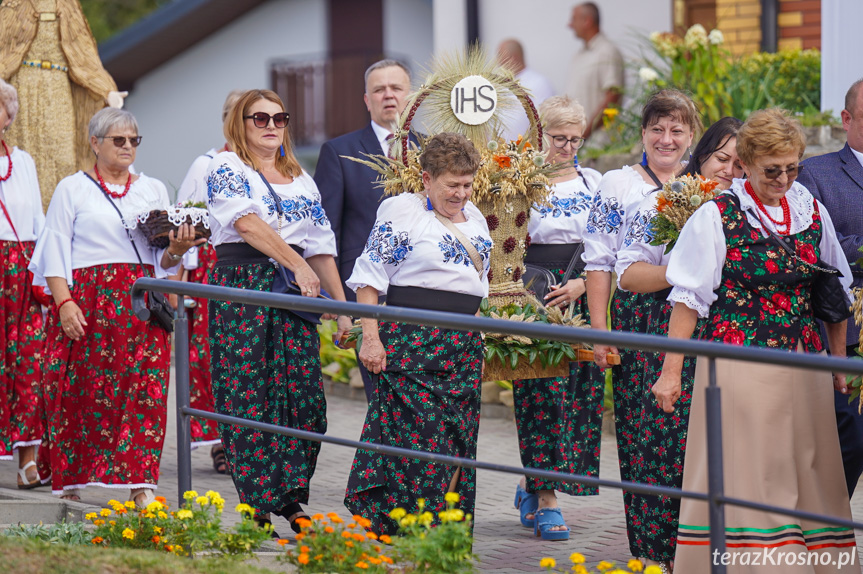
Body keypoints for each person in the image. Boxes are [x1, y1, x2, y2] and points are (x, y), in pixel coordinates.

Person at [655, 109, 856, 573]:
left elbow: (834, 291)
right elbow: (688, 299)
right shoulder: (716, 215)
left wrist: (840, 361)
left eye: (793, 167)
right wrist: (670, 374)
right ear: (744, 163)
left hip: (804, 362)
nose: (785, 179)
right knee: (754, 472)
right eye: (773, 170)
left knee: (808, 467)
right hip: (739, 362)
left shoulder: (810, 209)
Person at [29, 107, 201, 505]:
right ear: (95, 142)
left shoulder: (153, 188)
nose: (127, 147)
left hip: (142, 301)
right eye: (118, 140)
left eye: (134, 141)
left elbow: (165, 261)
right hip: (88, 300)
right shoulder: (73, 188)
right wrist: (64, 302)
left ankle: (141, 484)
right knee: (80, 389)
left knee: (146, 392)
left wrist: (176, 249)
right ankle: (71, 482)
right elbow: (53, 250)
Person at [207, 89, 352, 536]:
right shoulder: (227, 167)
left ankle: (290, 496)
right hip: (246, 289)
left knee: (303, 401)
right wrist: (297, 264)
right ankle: (258, 505)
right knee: (251, 397)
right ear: (241, 124)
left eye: (279, 118)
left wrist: (344, 311)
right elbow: (247, 224)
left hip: (293, 292)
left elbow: (323, 249)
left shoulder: (301, 178)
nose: (271, 125)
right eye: (260, 118)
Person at [344, 132, 491, 535]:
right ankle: (408, 534)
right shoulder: (402, 211)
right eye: (452, 185)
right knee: (419, 444)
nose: (461, 193)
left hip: (463, 346)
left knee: (460, 443)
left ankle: (446, 536)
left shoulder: (475, 217)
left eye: (467, 183)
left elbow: (478, 284)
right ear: (426, 178)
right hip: (414, 342)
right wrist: (370, 338)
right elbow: (369, 279)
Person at [614, 117, 742, 569]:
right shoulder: (665, 204)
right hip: (660, 330)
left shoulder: (752, 209)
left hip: (726, 340)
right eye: (722, 159)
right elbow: (626, 275)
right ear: (701, 156)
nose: (731, 170)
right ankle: (656, 554)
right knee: (658, 447)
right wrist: (691, 266)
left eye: (741, 163)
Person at [583, 88, 699, 564]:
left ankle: (689, 549)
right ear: (643, 134)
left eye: (676, 130)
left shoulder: (703, 186)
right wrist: (598, 331)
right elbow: (599, 260)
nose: (666, 139)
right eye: (657, 128)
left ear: (691, 137)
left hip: (692, 322)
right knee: (643, 439)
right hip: (639, 319)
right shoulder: (619, 184)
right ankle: (652, 552)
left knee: (690, 439)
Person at [510, 96, 602, 540]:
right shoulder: (520, 180)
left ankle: (535, 481)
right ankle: (546, 496)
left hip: (582, 291)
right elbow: (505, 240)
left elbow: (608, 241)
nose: (567, 147)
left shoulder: (594, 181)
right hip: (536, 296)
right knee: (539, 395)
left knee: (578, 399)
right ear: (539, 135)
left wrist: (584, 283)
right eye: (559, 138)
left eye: (575, 139)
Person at [314, 59, 413, 403]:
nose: (389, 96)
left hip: (427, 294)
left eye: (396, 88)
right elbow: (327, 233)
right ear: (366, 100)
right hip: (368, 296)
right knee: (382, 399)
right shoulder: (339, 152)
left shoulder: (434, 151)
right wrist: (338, 301)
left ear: (410, 95)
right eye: (379, 89)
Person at [797, 78, 863, 498]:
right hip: (849, 334)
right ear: (846, 118)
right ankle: (827, 524)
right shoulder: (816, 173)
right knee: (852, 439)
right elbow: (818, 245)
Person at [172, 89, 243, 474]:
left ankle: (250, 436)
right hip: (214, 266)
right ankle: (219, 439)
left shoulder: (270, 165)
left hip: (254, 269)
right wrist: (181, 280)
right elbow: (185, 220)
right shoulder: (207, 164)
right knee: (211, 356)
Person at [0, 0, 127, 211]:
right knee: (23, 156)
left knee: (63, 158)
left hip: (58, 92)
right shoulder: (14, 2)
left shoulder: (68, 5)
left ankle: (62, 216)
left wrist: (106, 90)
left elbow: (83, 54)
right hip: (22, 90)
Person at [0, 78, 46, 489]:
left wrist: (44, 271)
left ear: (8, 116)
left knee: (28, 363)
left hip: (21, 268)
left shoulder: (25, 162)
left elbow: (38, 223)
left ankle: (27, 460)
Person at [566, 2, 624, 141]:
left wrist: (583, 134)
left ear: (587, 21)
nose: (569, 25)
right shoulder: (579, 55)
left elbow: (612, 98)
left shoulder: (607, 52)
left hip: (597, 143)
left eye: (574, 19)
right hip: (577, 142)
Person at [496, 39, 555, 142]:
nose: (498, 62)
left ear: (512, 58)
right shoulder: (498, 84)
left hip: (526, 152)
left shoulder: (539, 83)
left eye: (500, 56)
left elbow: (546, 121)